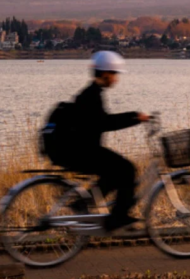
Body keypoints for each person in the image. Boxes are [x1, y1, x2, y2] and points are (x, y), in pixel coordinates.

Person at [46, 50, 149, 231]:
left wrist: (133, 116)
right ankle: (118, 217)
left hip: (79, 149)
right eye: (114, 74)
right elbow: (104, 123)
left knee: (114, 173)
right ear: (105, 73)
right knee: (127, 169)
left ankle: (83, 204)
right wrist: (134, 118)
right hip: (80, 151)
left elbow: (101, 122)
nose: (116, 79)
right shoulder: (92, 95)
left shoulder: (91, 92)